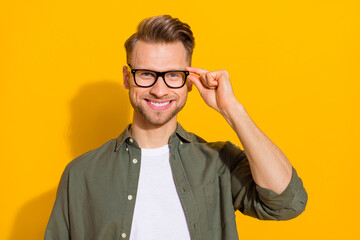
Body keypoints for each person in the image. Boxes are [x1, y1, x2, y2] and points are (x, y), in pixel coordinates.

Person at [45, 15, 308, 240]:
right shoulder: (81, 175)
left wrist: (232, 110)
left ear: (189, 81)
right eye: (146, 74)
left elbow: (286, 203)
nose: (159, 91)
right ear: (127, 77)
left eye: (173, 75)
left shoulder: (219, 162)